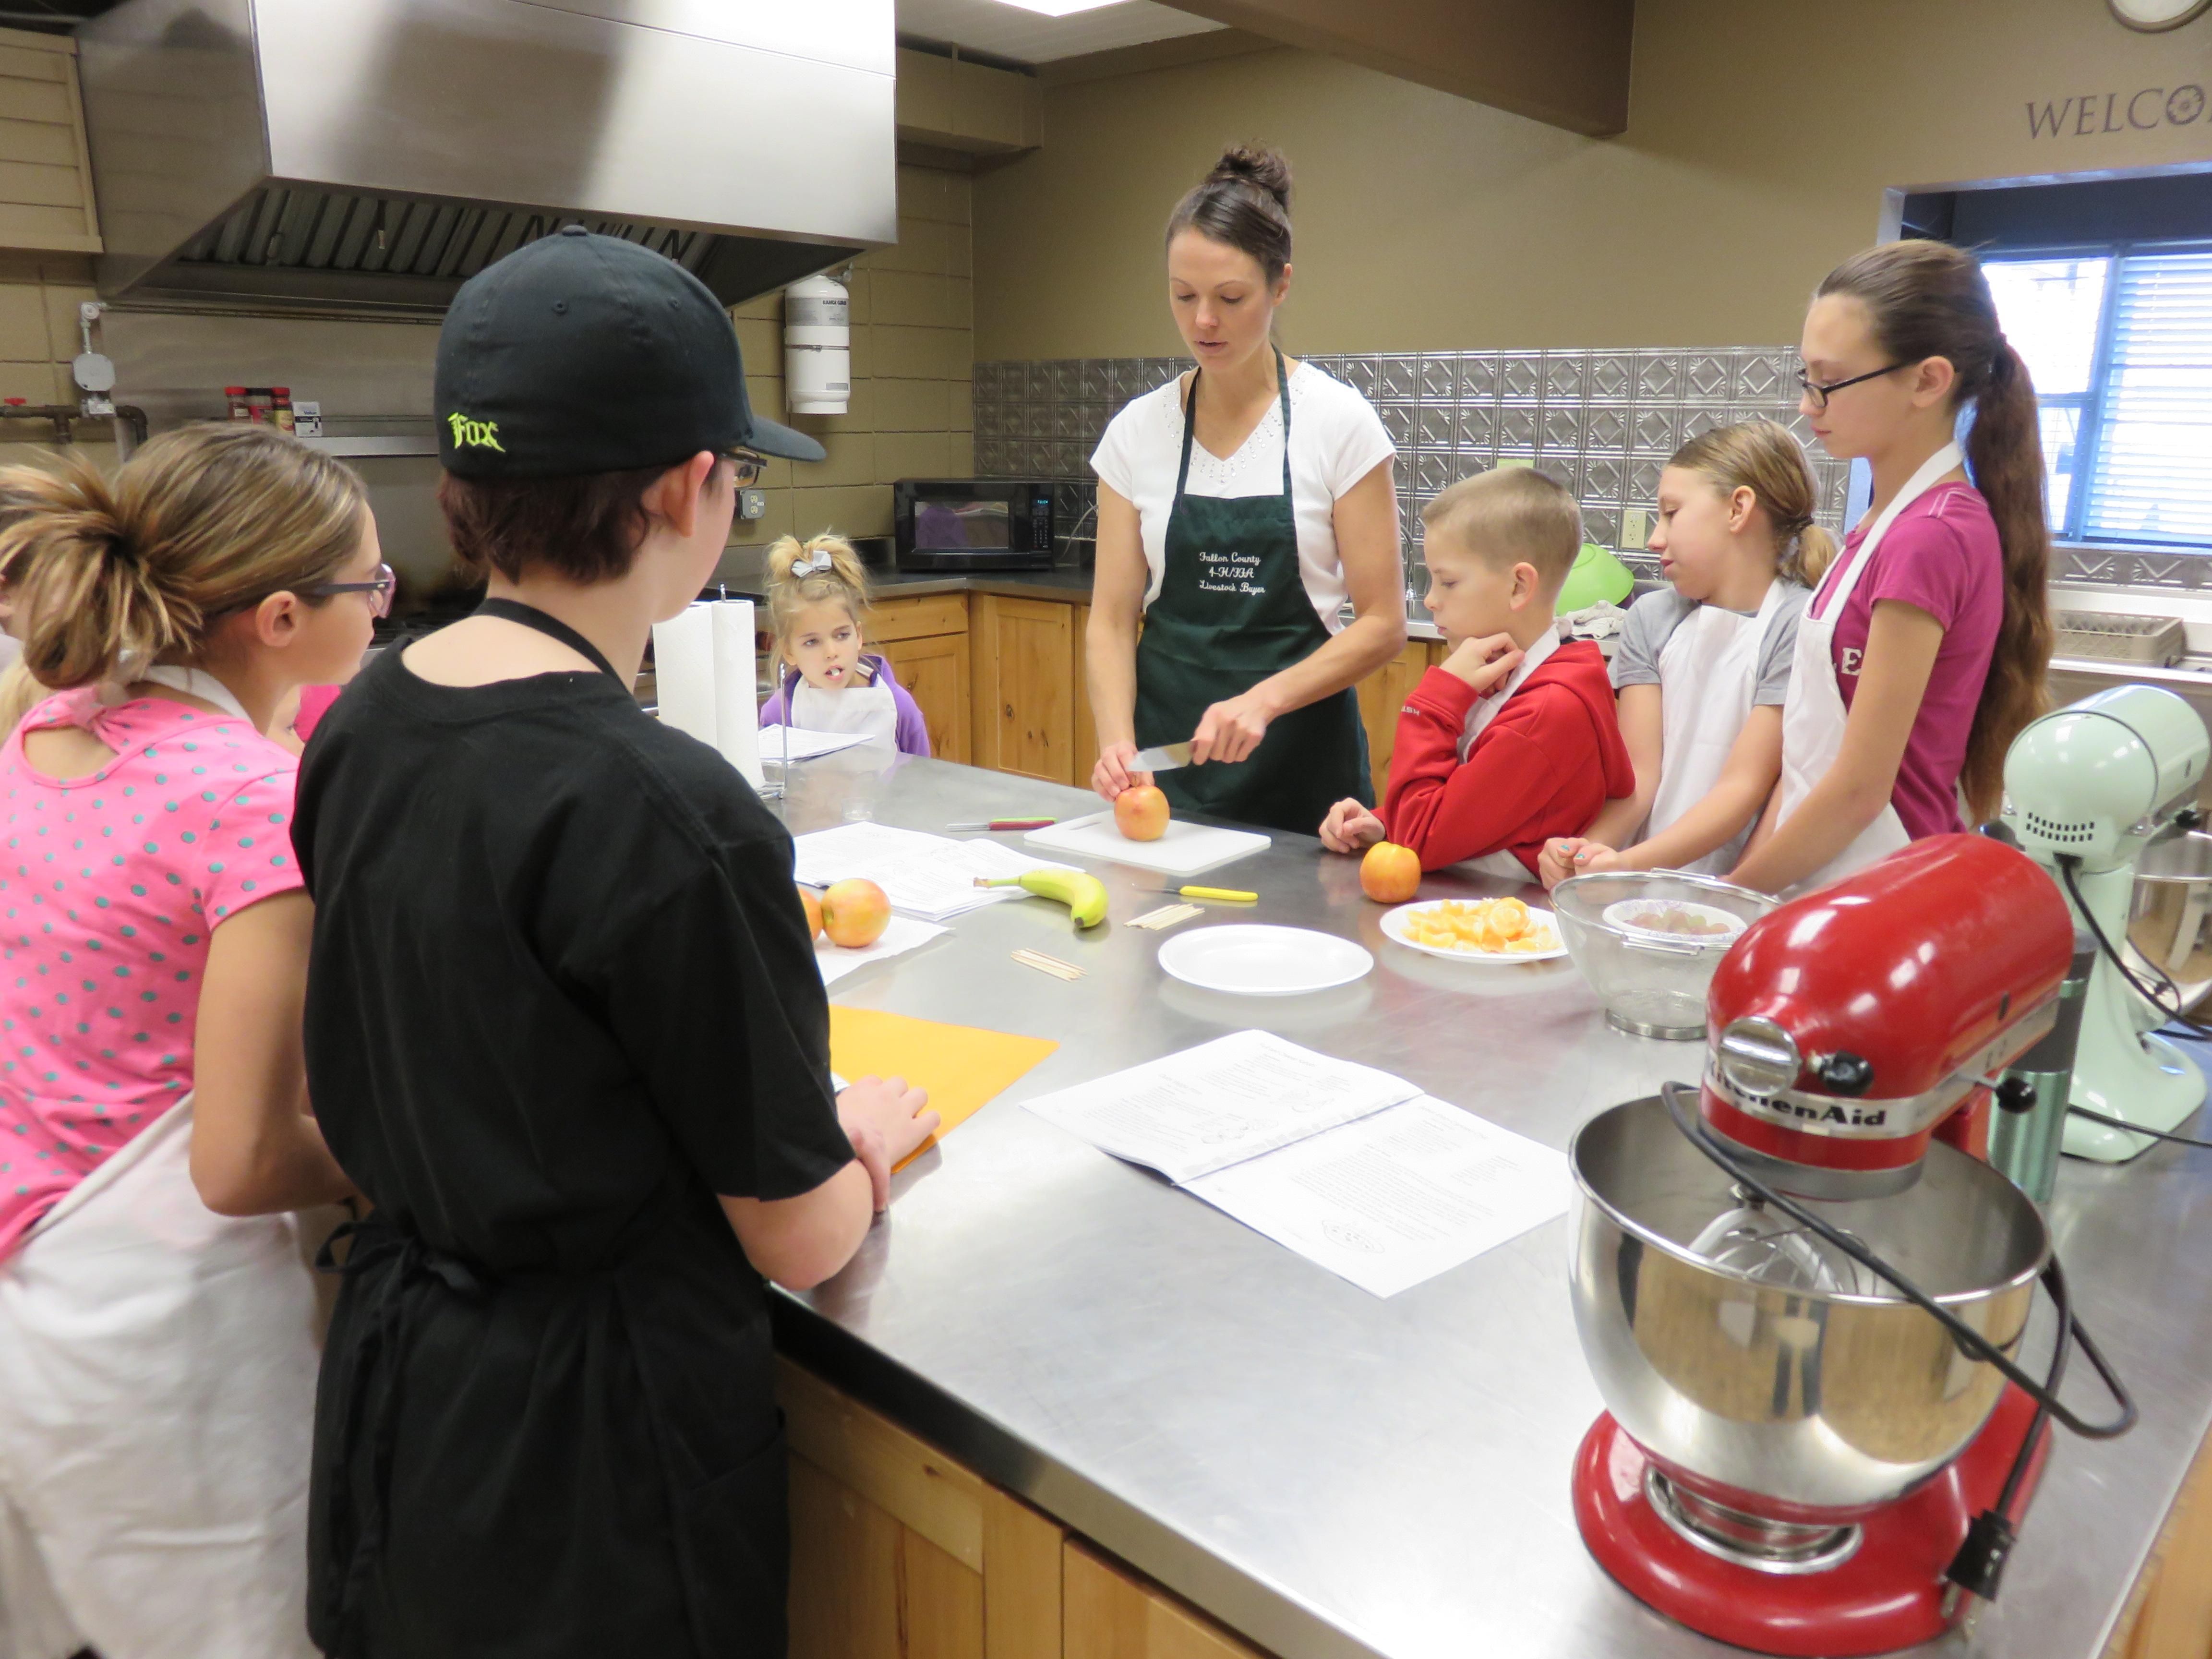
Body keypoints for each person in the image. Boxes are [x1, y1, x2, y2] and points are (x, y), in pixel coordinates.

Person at [292, 228, 938, 1659]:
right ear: (686, 490)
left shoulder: (365, 722)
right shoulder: (666, 812)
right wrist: (865, 1135)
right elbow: (798, 1228)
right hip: (598, 1466)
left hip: (411, 1403)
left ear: (466, 494)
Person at [0, 423, 373, 1659]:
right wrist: (415, 1147)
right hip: (168, 1331)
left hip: (39, 1305)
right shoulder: (249, 802)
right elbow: (244, 1158)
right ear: (277, 617)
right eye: (370, 587)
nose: (382, 609)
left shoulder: (47, 723)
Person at [1086, 145, 1406, 834]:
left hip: (1307, 788)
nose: (1204, 321)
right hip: (1170, 787)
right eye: (1183, 295)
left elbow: (1383, 625)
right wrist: (1116, 740)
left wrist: (1264, 700)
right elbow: (1111, 620)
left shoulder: (1338, 423)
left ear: (1281, 285)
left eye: (1230, 298)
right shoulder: (1137, 433)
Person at [1725, 241, 2051, 896]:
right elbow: (1815, 757)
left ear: (1928, 381)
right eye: (1805, 378)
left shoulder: (1931, 537)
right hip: (1835, 876)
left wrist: (1727, 900)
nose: (1808, 405)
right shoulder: (1882, 527)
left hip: (1885, 885)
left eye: (1831, 381)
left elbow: (1858, 792)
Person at [1539, 421, 1825, 886]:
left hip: (1737, 890)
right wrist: (1588, 854)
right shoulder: (1651, 617)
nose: (1655, 538)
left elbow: (1743, 789)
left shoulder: (1799, 623)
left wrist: (1632, 865)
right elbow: (1640, 777)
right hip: (1641, 881)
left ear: (1738, 509)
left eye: (1671, 513)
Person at [1318, 468, 1632, 877]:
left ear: (1520, 586)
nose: (1430, 600)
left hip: (1505, 917)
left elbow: (1420, 842)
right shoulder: (1520, 675)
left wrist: (1432, 702)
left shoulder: (1547, 711)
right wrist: (1382, 823)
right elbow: (1459, 812)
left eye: (1447, 582)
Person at [757, 531, 930, 756]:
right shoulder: (779, 714)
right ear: (789, 651)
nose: (831, 653)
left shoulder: (899, 706)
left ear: (858, 636)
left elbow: (922, 780)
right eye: (812, 642)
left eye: (841, 636)